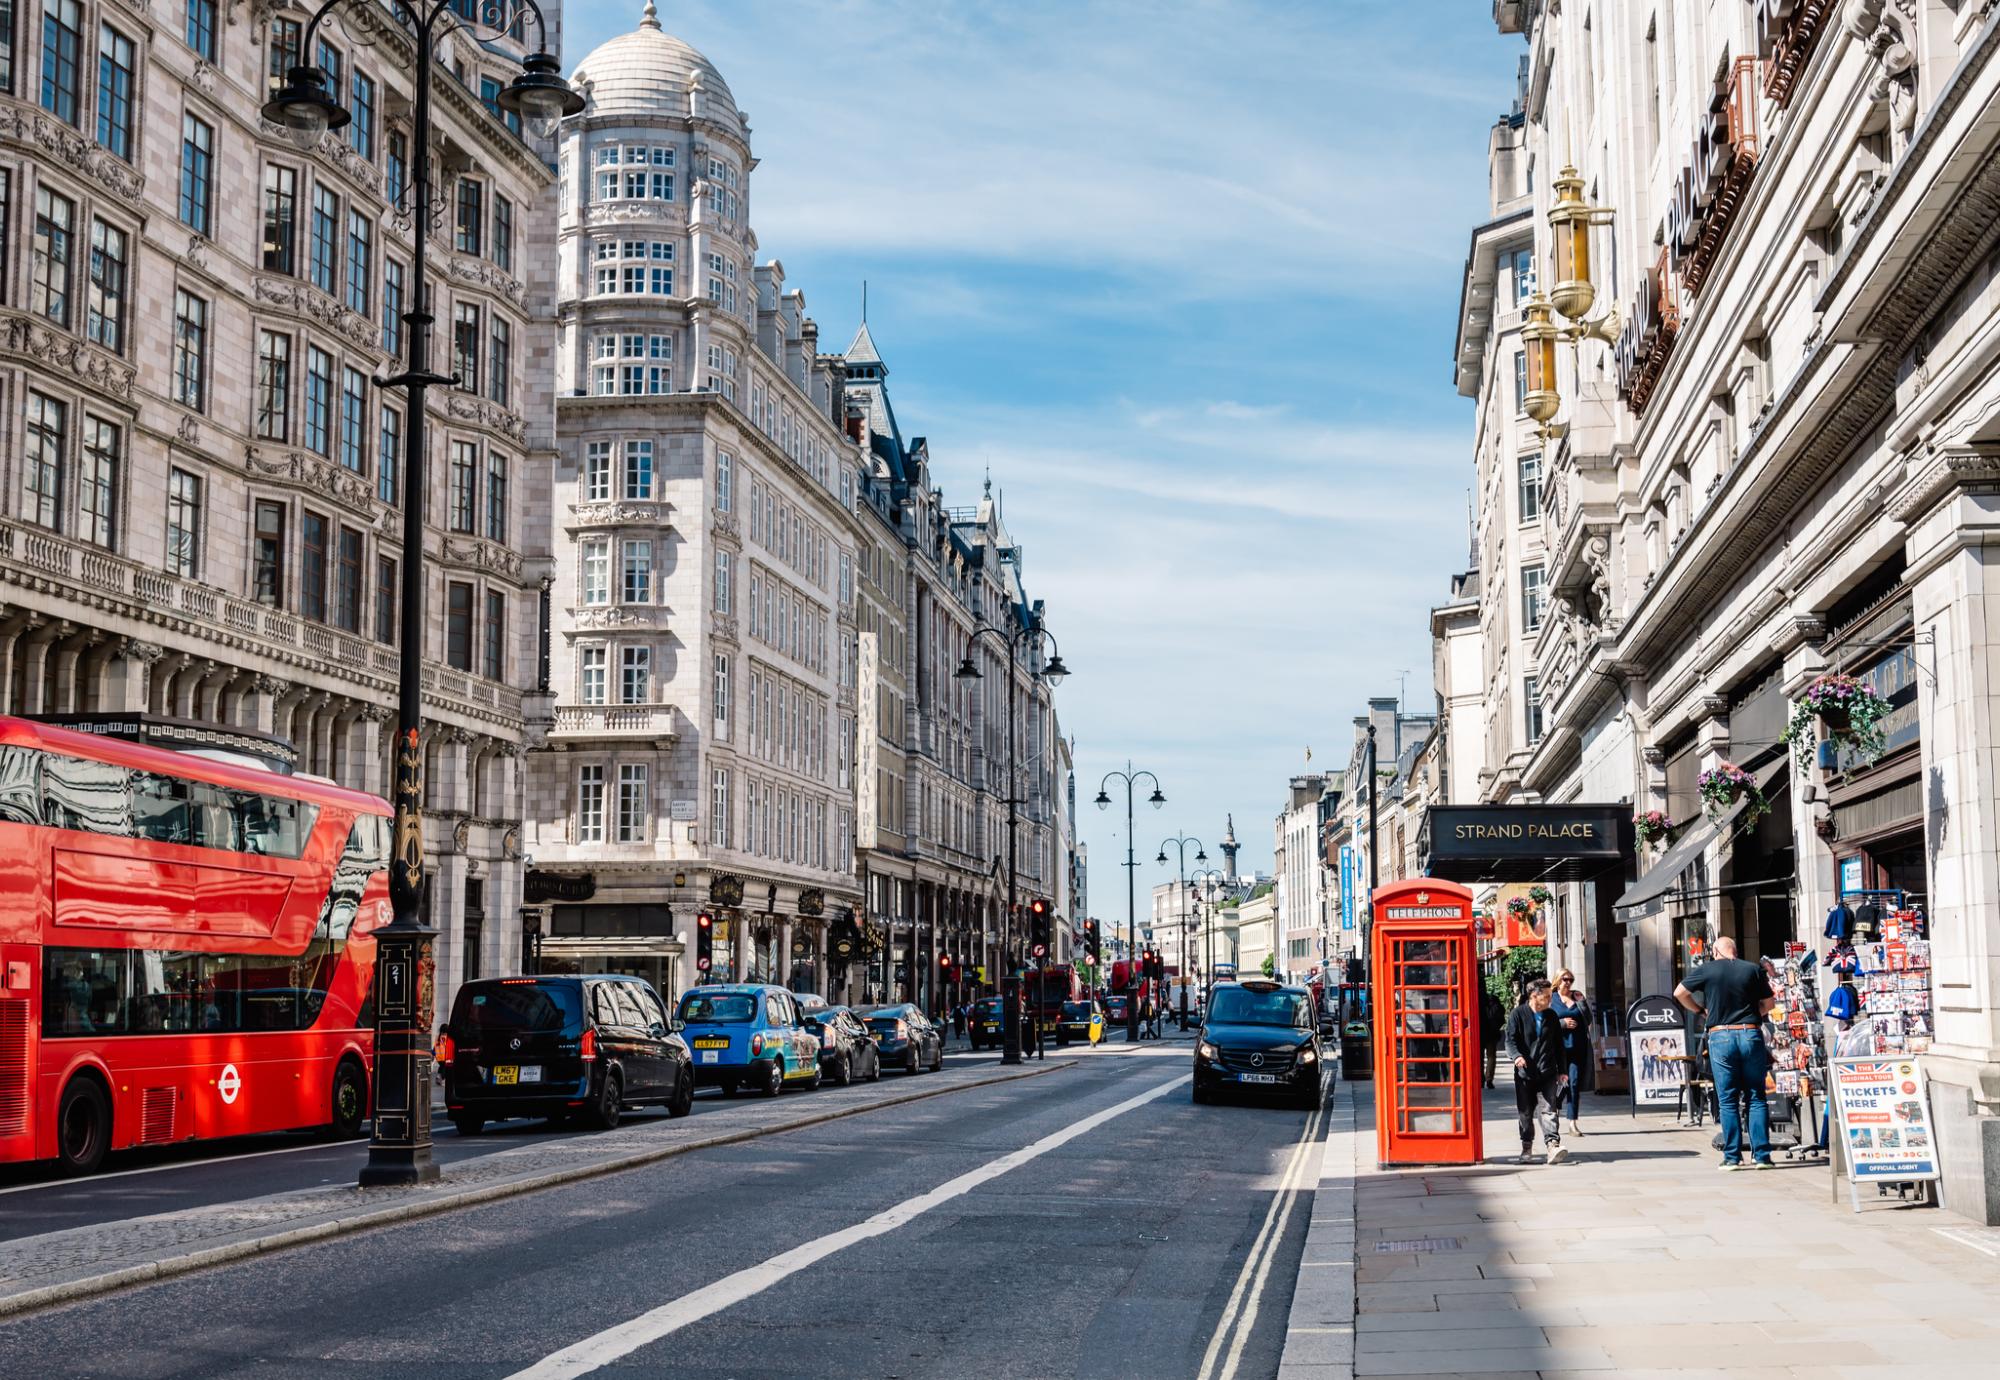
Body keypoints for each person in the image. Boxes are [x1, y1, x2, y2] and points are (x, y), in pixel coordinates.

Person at [1674, 936, 1777, 1170]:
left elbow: (1679, 993)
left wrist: (1701, 1011)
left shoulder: (1707, 969)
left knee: (1728, 1099)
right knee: (1756, 1096)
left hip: (1720, 1035)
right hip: (1750, 1033)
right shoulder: (1752, 969)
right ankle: (1761, 1156)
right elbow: (1769, 1004)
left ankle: (1732, 1157)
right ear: (1735, 951)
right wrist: (1751, 1015)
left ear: (1715, 951)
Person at [1507, 979, 1569, 1165]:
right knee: (1525, 1112)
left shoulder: (1551, 1015)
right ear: (1534, 996)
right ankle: (1527, 1147)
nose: (1551, 999)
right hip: (1525, 1073)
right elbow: (1510, 1041)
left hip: (1548, 1071)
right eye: (1548, 996)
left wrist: (1562, 1071)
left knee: (1549, 1109)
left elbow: (1559, 1045)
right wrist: (1516, 1056)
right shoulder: (1518, 1014)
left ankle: (1553, 1145)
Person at [1550, 969, 1594, 1136]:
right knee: (1558, 1086)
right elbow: (1544, 1021)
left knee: (1573, 1084)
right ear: (1557, 981)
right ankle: (1554, 1116)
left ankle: (1572, 1123)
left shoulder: (1577, 996)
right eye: (1564, 979)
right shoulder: (1551, 999)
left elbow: (1588, 1019)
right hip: (1557, 1050)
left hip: (1577, 1048)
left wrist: (1582, 1002)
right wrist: (1561, 1023)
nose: (1568, 982)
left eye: (1570, 979)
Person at [1479, 984, 1505, 1089]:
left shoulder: (1476, 1001)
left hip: (1479, 1033)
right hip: (1492, 1033)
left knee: (1479, 1058)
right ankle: (1489, 1079)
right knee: (1491, 1057)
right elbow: (1501, 1015)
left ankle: (1480, 1079)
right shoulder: (1493, 1000)